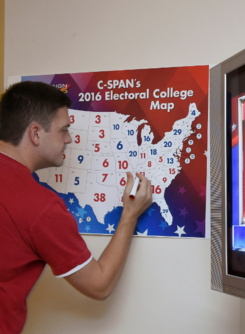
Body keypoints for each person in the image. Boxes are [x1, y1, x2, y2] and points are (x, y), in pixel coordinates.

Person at [0, 81, 153, 334]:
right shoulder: (40, 207)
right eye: (64, 130)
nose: (69, 139)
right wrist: (130, 213)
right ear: (36, 134)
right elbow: (99, 285)